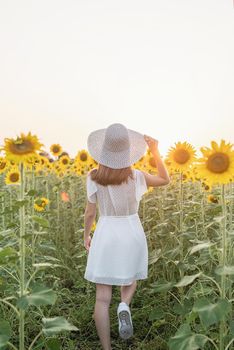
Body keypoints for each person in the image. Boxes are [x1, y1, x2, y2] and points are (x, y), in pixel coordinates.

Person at [83, 123, 170, 350]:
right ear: (126, 152)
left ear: (103, 150)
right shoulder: (137, 176)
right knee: (130, 278)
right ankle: (124, 304)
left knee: (102, 298)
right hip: (131, 231)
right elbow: (165, 179)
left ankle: (106, 348)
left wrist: (86, 235)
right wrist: (155, 151)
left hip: (106, 233)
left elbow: (90, 212)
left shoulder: (93, 177)